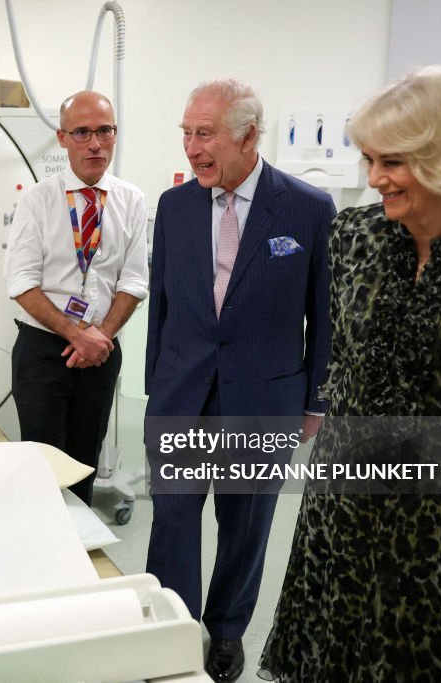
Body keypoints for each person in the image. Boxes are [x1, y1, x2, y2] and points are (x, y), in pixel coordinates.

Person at [259, 65, 441, 682]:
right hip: (347, 499)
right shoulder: (354, 235)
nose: (374, 180)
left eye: (391, 162)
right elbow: (344, 358)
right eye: (369, 159)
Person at [144, 78, 334, 681]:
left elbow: (324, 314)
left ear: (249, 136)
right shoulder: (174, 207)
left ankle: (226, 631)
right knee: (172, 515)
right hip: (183, 390)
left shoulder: (307, 208)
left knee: (245, 522)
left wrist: (316, 400)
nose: (192, 148)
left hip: (265, 393)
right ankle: (174, 626)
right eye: (186, 133)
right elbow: (164, 305)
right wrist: (157, 384)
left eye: (205, 135)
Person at [5, 90, 148, 504]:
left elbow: (134, 282)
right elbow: (21, 282)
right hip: (44, 352)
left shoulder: (131, 200)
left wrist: (97, 337)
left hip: (101, 352)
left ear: (115, 134)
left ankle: (81, 555)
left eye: (105, 131)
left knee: (85, 462)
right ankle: (41, 551)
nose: (95, 143)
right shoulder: (37, 200)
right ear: (62, 138)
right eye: (82, 133)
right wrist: (75, 334)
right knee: (43, 465)